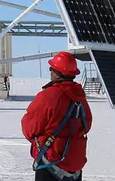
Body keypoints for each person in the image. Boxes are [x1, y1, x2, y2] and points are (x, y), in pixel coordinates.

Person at [22, 52, 92, 181]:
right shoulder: (80, 97)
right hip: (74, 161)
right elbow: (86, 124)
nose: (50, 72)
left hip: (51, 160)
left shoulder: (49, 95)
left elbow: (30, 127)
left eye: (51, 69)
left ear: (57, 72)